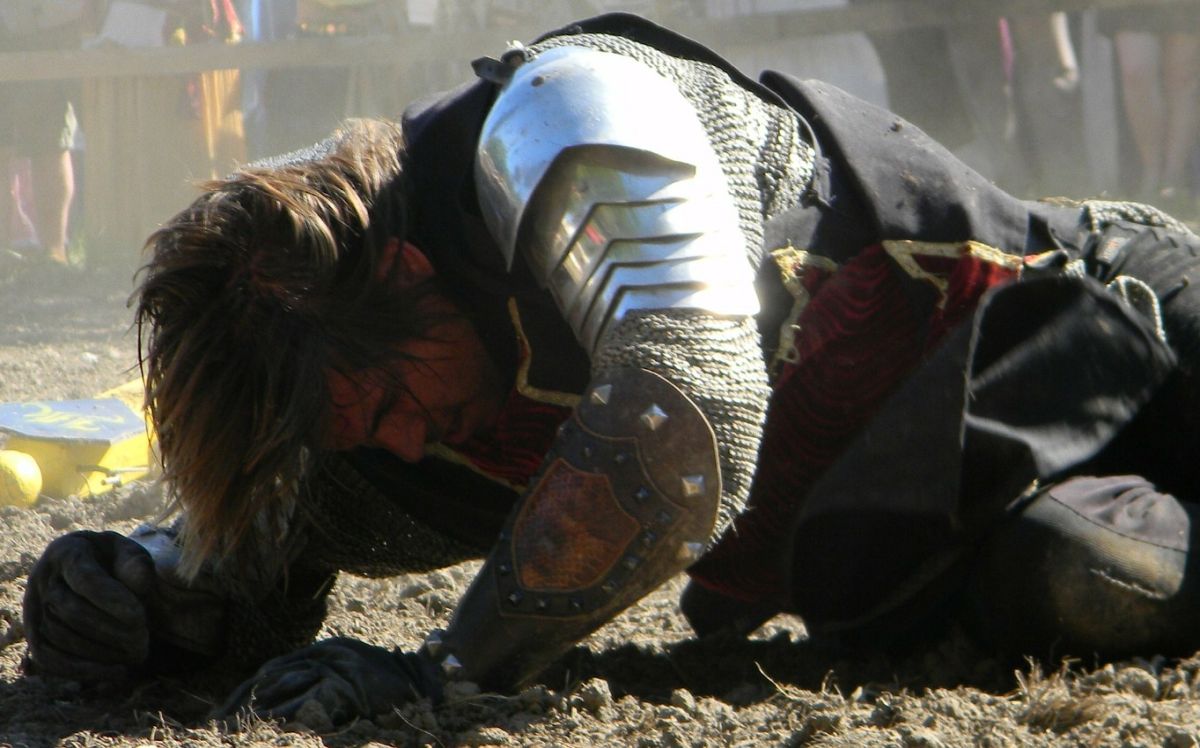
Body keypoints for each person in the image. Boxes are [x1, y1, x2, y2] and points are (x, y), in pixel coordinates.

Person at [20, 12, 1200, 726]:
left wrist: (449, 671)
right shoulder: (400, 397)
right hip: (971, 527)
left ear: (407, 269)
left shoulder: (562, 119)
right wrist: (136, 596)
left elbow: (688, 405)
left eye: (380, 404)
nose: (396, 443)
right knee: (1078, 578)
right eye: (361, 433)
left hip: (1106, 322)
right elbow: (247, 576)